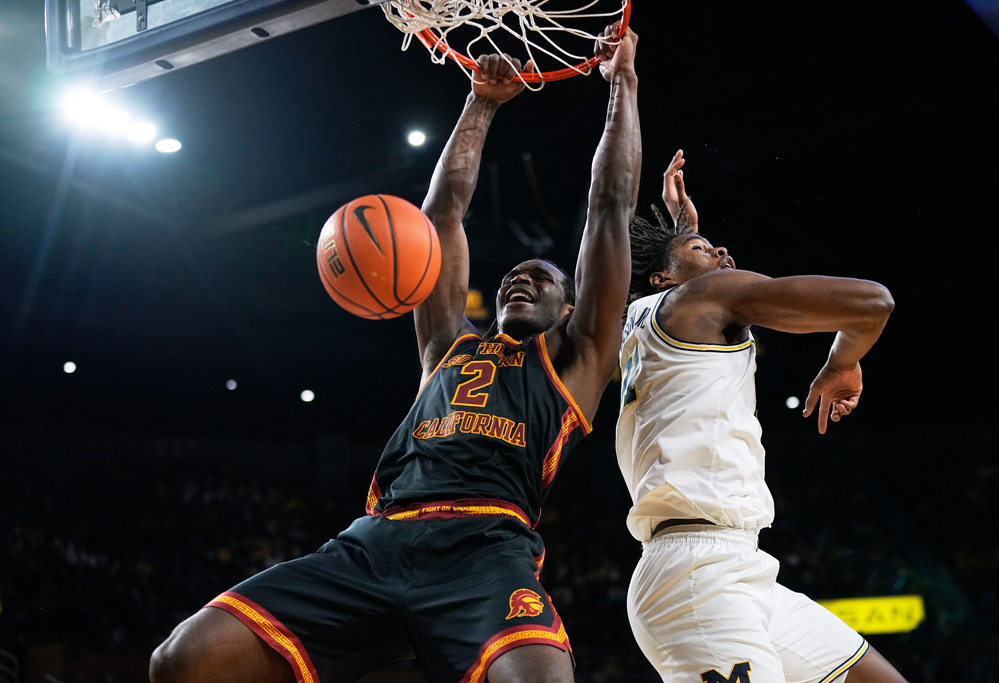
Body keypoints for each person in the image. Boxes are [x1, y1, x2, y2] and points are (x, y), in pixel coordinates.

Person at [148, 23, 640, 683]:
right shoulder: (446, 344)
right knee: (183, 660)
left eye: (542, 277)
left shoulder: (577, 361)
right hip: (376, 540)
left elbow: (609, 206)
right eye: (509, 278)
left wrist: (622, 86)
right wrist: (482, 103)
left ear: (572, 306)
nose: (520, 278)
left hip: (484, 549)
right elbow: (439, 219)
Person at [615, 152, 907, 683]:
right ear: (664, 278)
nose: (723, 251)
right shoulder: (696, 298)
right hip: (695, 576)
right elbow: (872, 303)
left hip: (738, 565)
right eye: (705, 248)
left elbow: (685, 283)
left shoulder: (637, 323)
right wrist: (842, 362)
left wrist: (687, 234)